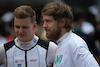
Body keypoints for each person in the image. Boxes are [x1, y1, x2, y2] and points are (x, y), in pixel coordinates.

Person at [41, 1, 100, 67]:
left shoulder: (75, 44)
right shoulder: (61, 43)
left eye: (48, 21)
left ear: (62, 22)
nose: (44, 25)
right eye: (44, 21)